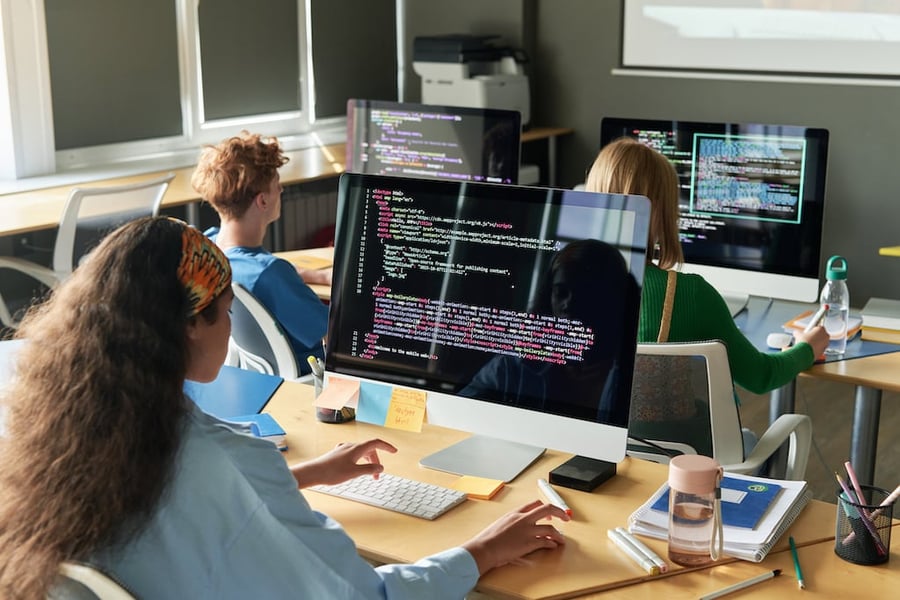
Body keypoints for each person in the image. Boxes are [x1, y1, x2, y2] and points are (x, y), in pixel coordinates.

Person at [0, 217, 568, 599]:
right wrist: (479, 552)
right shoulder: (220, 459)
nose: (229, 329)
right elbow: (363, 597)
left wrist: (298, 475)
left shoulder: (64, 433)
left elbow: (189, 507)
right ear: (188, 328)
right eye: (224, 313)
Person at [584, 137, 829, 395]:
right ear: (662, 213)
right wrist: (807, 347)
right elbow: (762, 376)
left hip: (589, 435)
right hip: (677, 435)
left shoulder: (564, 282)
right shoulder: (690, 295)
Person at [191, 131, 330, 374]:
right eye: (277, 185)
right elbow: (332, 332)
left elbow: (260, 271)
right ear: (262, 201)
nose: (281, 191)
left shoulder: (207, 248)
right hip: (312, 374)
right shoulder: (270, 273)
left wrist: (319, 276)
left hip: (256, 373)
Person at [461, 239, 640, 426]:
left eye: (585, 293)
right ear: (548, 297)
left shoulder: (634, 373)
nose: (569, 304)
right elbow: (460, 414)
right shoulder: (513, 367)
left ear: (612, 298)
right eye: (561, 293)